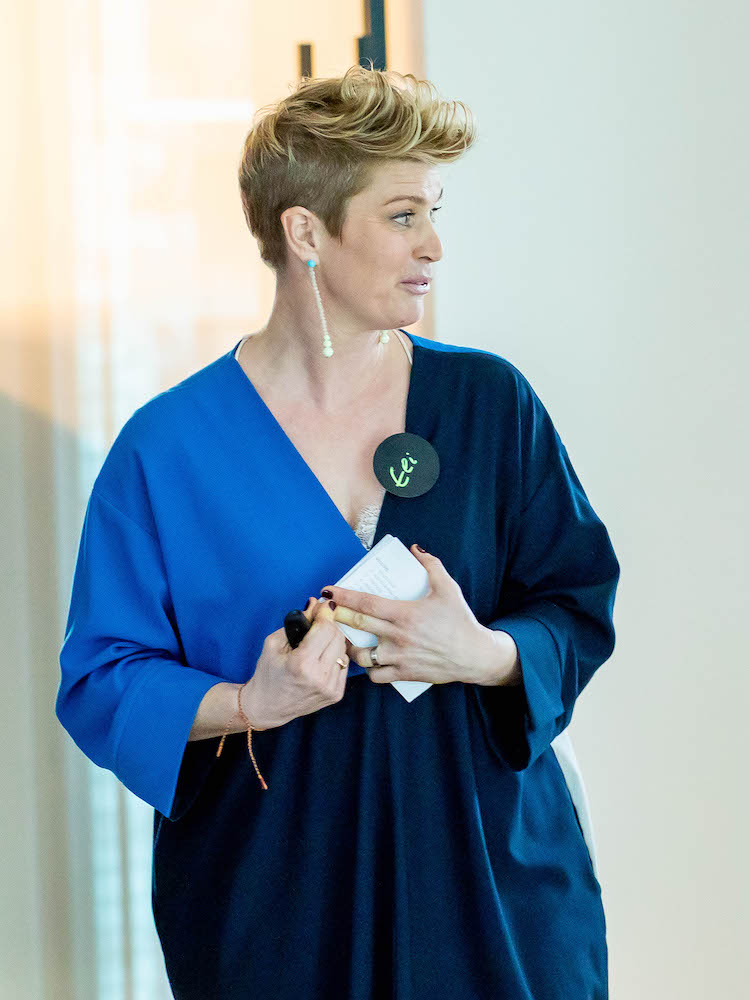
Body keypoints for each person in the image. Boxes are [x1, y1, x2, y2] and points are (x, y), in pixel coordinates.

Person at [56, 67, 618, 999]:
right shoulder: (169, 449)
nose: (433, 245)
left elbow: (575, 603)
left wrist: (482, 652)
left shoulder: (488, 405)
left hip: (488, 890)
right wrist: (249, 700)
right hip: (278, 900)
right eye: (402, 216)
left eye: (434, 213)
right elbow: (102, 678)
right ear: (306, 232)